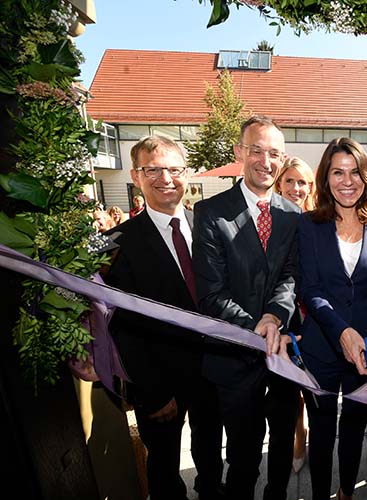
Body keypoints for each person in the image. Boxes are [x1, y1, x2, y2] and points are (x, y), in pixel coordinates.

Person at [105, 135, 224, 500]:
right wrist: (152, 393)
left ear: (186, 173)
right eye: (153, 169)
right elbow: (120, 327)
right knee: (164, 469)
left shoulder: (207, 227)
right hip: (159, 384)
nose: (165, 178)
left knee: (210, 458)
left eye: (174, 169)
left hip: (211, 374)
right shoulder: (117, 243)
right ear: (135, 174)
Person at [192, 115, 301, 500]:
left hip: (284, 362)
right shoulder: (209, 213)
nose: (264, 160)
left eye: (273, 153)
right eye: (256, 150)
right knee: (242, 456)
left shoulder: (292, 214)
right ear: (239, 152)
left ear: (283, 158)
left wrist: (275, 316)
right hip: (235, 362)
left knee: (282, 450)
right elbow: (210, 293)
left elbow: (290, 276)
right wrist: (258, 327)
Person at [297, 137, 367, 500]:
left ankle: (346, 491)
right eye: (337, 172)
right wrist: (342, 331)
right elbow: (310, 290)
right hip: (321, 349)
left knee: (355, 427)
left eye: (355, 172)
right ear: (326, 179)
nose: (347, 181)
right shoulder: (309, 225)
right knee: (323, 428)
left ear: (366, 177)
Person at [273, 156, 315, 473]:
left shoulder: (319, 222)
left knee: (313, 385)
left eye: (302, 182)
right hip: (282, 318)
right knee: (289, 388)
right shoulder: (269, 221)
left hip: (314, 318)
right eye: (289, 181)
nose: (296, 188)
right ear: (279, 184)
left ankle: (313, 434)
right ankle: (298, 436)